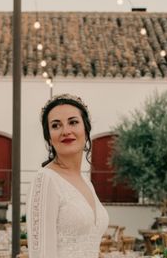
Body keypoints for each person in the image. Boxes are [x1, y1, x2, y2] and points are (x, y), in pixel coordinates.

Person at [26, 94, 109, 258]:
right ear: (49, 138)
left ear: (85, 130)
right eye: (56, 125)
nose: (66, 131)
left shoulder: (86, 182)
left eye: (73, 122)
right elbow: (41, 254)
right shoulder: (45, 180)